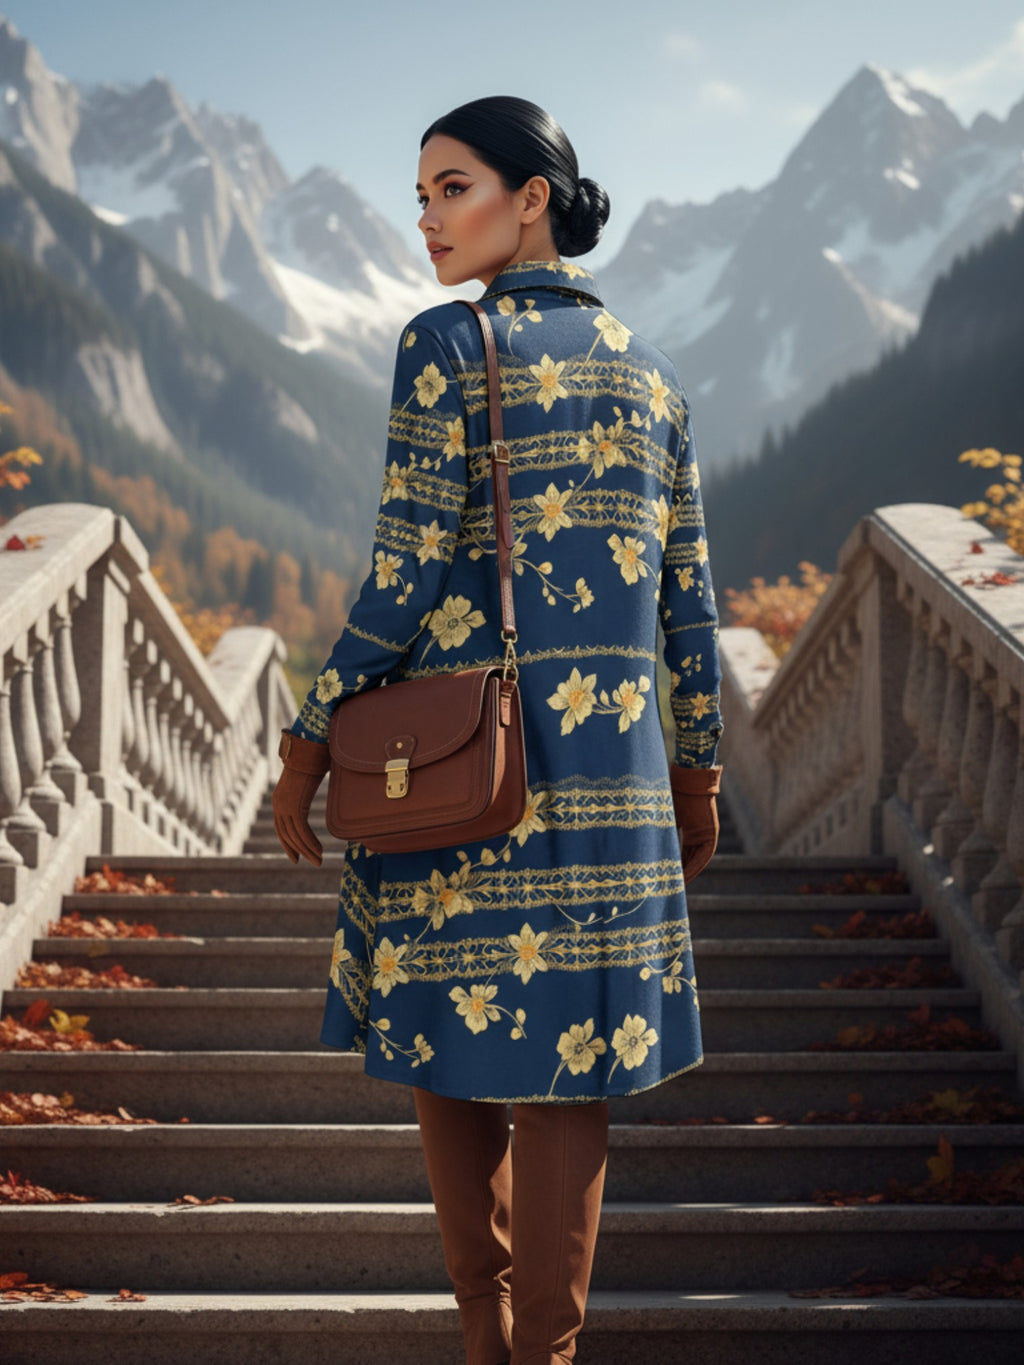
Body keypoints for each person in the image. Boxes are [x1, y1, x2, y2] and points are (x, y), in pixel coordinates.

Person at [273, 95, 724, 1365]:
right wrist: (694, 784)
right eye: (420, 195)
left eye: (452, 187)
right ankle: (549, 1356)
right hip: (615, 777)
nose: (427, 218)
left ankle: (485, 1338)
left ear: (532, 197)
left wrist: (309, 739)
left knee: (447, 1039)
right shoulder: (655, 373)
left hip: (464, 767)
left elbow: (404, 574)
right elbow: (688, 605)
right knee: (571, 1073)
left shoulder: (445, 345)